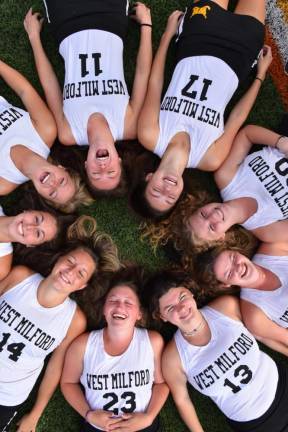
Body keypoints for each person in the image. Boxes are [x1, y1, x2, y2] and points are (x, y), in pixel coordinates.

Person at [134, 0, 271, 218]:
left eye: (156, 191)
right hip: (240, 52)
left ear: (148, 178)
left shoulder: (150, 135)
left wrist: (168, 35)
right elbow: (236, 118)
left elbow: (155, 82)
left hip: (198, 37)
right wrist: (260, 76)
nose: (167, 188)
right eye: (170, 197)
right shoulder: (209, 159)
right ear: (180, 195)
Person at [0, 227, 122, 432]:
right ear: (59, 260)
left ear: (83, 286)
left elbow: (54, 368)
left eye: (81, 273)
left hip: (7, 395)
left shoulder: (74, 321)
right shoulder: (20, 277)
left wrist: (35, 414)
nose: (70, 272)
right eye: (70, 262)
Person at [24, 1, 152, 196]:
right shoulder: (129, 126)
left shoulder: (68, 133)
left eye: (95, 173)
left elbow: (50, 84)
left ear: (86, 165)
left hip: (66, 22)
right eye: (111, 172)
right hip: (111, 19)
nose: (102, 167)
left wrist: (34, 38)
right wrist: (146, 26)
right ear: (119, 161)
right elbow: (142, 74)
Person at [147, 270, 288, 432]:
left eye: (182, 297)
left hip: (282, 384)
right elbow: (182, 400)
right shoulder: (172, 358)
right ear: (162, 316)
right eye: (170, 308)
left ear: (191, 293)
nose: (181, 308)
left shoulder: (225, 308)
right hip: (257, 423)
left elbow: (261, 334)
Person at [61, 266, 169, 432]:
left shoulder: (152, 341)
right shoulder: (82, 345)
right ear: (104, 309)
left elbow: (161, 384)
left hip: (142, 426)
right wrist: (88, 414)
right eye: (113, 301)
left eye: (128, 302)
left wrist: (149, 417)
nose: (120, 307)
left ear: (139, 313)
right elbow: (68, 383)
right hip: (97, 427)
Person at [0, 60, 92, 213]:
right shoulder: (45, 130)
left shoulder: (4, 183)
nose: (52, 184)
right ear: (62, 168)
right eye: (62, 181)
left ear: (42, 196)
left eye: (52, 193)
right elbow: (24, 90)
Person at [186, 125, 288, 247]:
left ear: (200, 206)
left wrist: (282, 142)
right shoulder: (267, 231)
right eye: (212, 227)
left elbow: (247, 135)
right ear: (220, 238)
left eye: (203, 214)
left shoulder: (225, 177)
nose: (213, 215)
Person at [198, 244, 288, 357]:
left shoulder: (273, 250)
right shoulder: (255, 315)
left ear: (238, 252)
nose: (238, 267)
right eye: (229, 273)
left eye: (233, 258)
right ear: (226, 284)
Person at [0, 205, 61, 281]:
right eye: (36, 219)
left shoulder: (1, 267)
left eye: (38, 234)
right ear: (28, 210)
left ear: (31, 245)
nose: (30, 227)